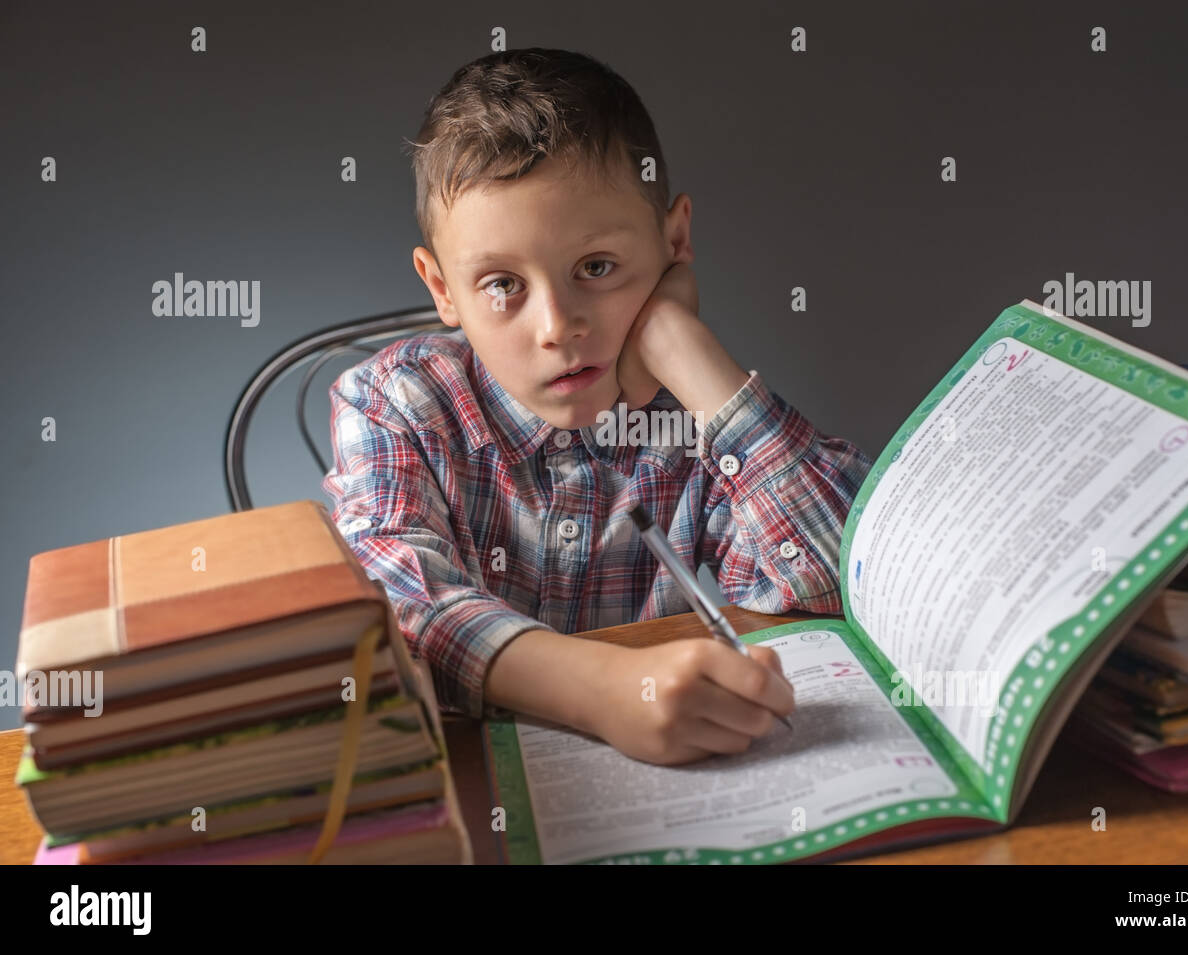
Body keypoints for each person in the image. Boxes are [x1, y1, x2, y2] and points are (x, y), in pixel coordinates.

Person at [322, 48, 872, 765]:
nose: (556, 326)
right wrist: (608, 690)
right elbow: (401, 610)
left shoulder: (692, 427)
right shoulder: (395, 404)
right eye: (501, 284)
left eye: (597, 268)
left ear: (675, 242)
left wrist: (687, 352)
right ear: (441, 288)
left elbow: (848, 581)